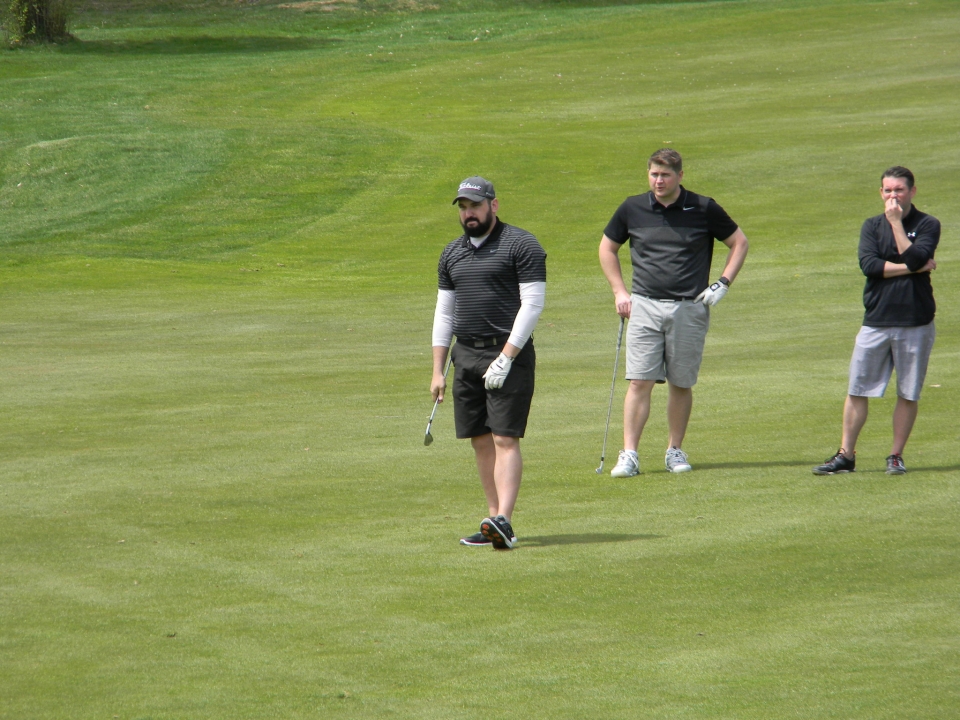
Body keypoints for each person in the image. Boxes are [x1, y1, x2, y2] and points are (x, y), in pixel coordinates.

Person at [598, 148, 748, 477]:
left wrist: (723, 283)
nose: (658, 181)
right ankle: (629, 454)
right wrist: (619, 291)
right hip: (644, 305)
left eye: (665, 175)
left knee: (681, 382)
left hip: (688, 307)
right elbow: (607, 247)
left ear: (680, 176)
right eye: (654, 174)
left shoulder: (703, 207)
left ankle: (674, 450)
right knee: (639, 381)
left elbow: (739, 242)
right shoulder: (632, 207)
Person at [431, 176, 547, 549]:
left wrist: (506, 357)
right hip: (465, 354)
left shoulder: (521, 244)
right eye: (463, 207)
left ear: (493, 205)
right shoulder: (452, 253)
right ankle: (492, 521)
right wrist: (437, 370)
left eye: (475, 206)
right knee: (480, 439)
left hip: (507, 351)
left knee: (504, 437)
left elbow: (532, 305)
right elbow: (444, 312)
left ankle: (505, 521)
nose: (469, 213)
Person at [813, 166, 939, 476]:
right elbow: (869, 266)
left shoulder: (927, 224)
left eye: (899, 189)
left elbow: (914, 256)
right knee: (858, 387)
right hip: (876, 318)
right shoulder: (871, 225)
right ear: (881, 192)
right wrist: (913, 267)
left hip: (916, 319)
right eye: (888, 190)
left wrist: (896, 224)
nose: (893, 195)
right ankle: (846, 455)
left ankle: (895, 455)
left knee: (908, 392)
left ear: (912, 191)